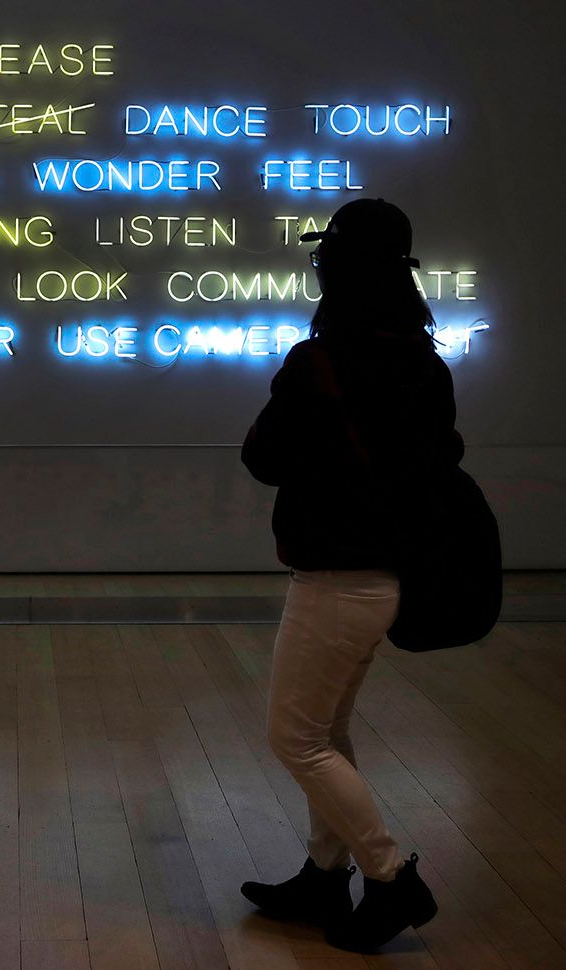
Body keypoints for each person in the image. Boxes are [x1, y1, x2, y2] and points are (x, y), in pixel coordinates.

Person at [239, 198, 457, 952]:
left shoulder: (320, 362)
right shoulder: (426, 365)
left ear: (334, 271)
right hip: (388, 578)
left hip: (333, 577)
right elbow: (443, 463)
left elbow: (262, 457)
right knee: (325, 729)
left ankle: (391, 878)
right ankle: (322, 875)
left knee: (295, 738)